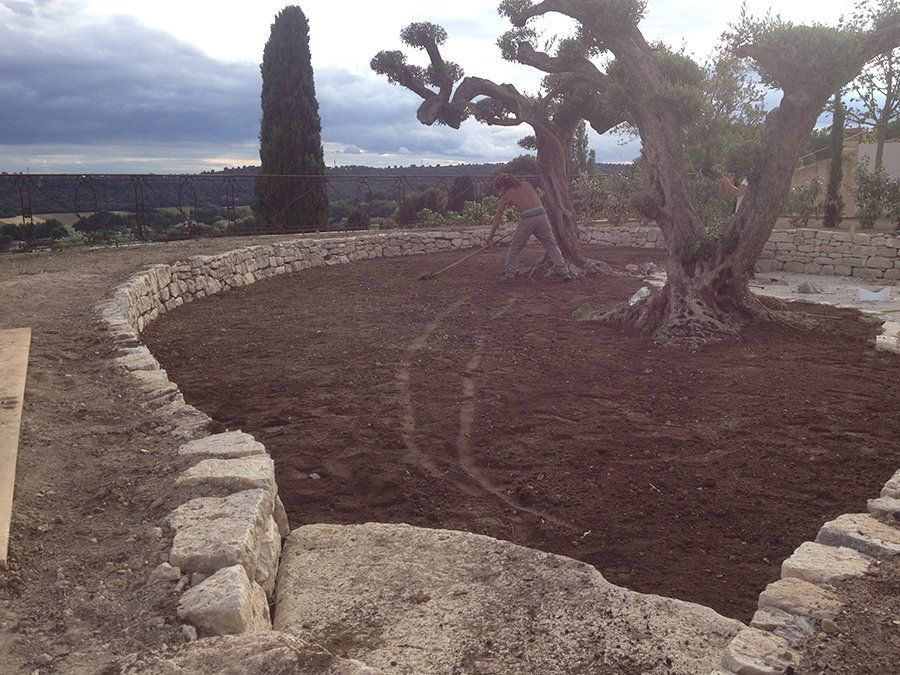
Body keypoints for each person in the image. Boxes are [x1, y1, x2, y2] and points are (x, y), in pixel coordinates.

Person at [486, 174, 572, 284]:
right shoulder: (526, 184)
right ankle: (565, 273)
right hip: (542, 215)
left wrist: (490, 238)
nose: (499, 193)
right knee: (551, 245)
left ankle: (509, 275)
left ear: (502, 187)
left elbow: (497, 219)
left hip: (527, 218)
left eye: (499, 190)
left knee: (515, 248)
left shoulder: (506, 196)